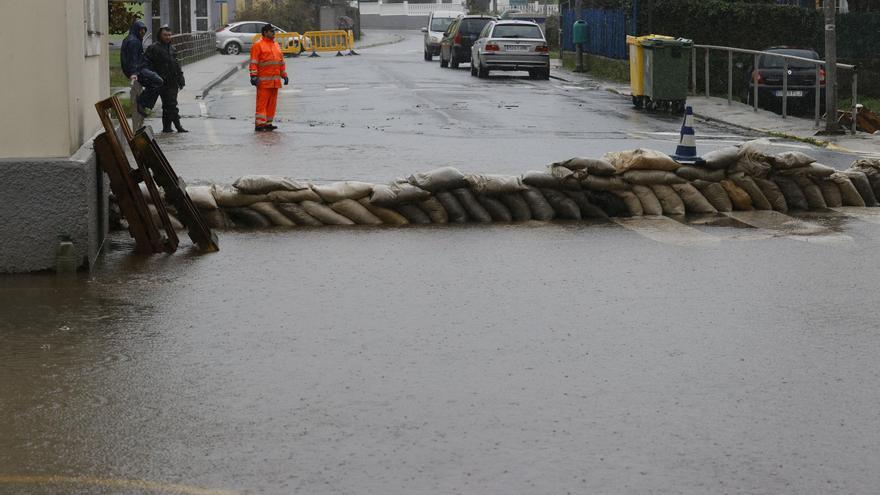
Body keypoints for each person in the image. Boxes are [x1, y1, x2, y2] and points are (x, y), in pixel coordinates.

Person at [144, 26, 187, 133]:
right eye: (165, 35)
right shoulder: (153, 48)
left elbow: (177, 65)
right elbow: (146, 63)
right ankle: (175, 126)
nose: (168, 37)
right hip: (159, 81)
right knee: (169, 105)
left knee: (170, 104)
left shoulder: (172, 49)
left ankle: (169, 127)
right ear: (160, 35)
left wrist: (181, 78)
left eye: (169, 35)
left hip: (172, 82)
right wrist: (152, 77)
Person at [249, 24, 288, 132]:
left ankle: (268, 123)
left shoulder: (276, 45)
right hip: (264, 82)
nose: (274, 33)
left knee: (272, 104)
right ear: (265, 32)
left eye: (274, 31)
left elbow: (281, 61)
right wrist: (253, 76)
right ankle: (260, 124)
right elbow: (253, 62)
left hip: (275, 81)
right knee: (262, 103)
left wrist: (284, 75)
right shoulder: (258, 45)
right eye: (271, 31)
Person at [120, 20, 148, 130]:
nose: (143, 32)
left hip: (132, 72)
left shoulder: (129, 39)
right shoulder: (134, 42)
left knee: (136, 97)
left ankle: (138, 124)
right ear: (136, 30)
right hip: (135, 73)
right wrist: (134, 73)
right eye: (141, 30)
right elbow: (133, 59)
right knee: (156, 83)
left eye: (144, 30)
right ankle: (137, 125)